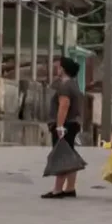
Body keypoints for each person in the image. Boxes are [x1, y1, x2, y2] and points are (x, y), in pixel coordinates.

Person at [42, 56, 83, 200]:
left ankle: (58, 189)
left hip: (65, 124)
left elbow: (64, 106)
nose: (56, 69)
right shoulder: (74, 84)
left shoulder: (65, 86)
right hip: (73, 123)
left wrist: (59, 126)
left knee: (61, 155)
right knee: (70, 154)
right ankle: (70, 187)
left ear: (63, 69)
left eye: (59, 67)